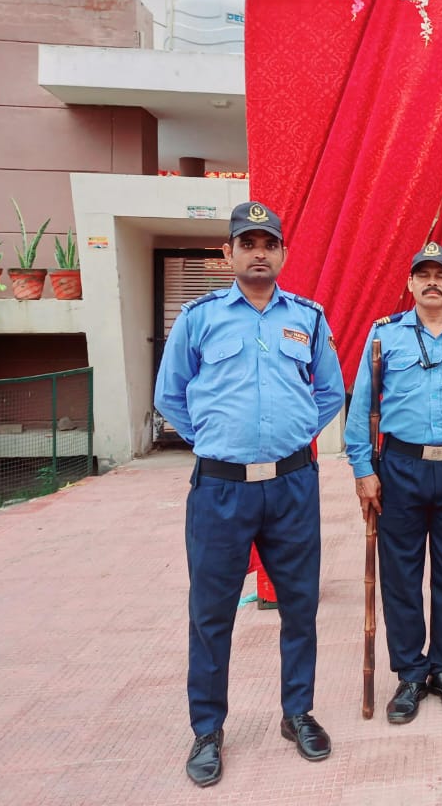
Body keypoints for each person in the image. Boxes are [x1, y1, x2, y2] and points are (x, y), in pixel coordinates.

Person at [154, 201, 346, 788]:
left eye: (268, 243)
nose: (258, 252)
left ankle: (298, 713)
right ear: (228, 253)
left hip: (291, 485)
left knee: (300, 607)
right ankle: (207, 730)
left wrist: (289, 437)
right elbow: (171, 395)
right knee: (211, 614)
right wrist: (213, 438)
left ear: (284, 254)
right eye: (247, 242)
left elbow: (329, 392)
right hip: (219, 488)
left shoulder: (308, 318)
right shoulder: (199, 318)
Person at [344, 242, 442, 725]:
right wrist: (362, 468)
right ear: (410, 284)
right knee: (401, 577)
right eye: (423, 274)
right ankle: (411, 673)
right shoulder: (383, 337)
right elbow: (361, 407)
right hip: (400, 468)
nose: (432, 281)